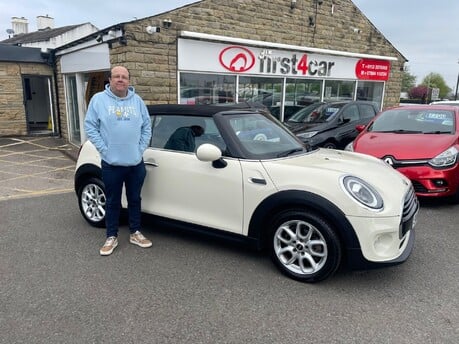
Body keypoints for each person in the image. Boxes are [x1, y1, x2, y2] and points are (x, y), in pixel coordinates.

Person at [84, 65, 152, 256]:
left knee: (134, 199)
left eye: (124, 77)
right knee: (113, 201)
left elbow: (147, 127)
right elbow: (90, 127)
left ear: (129, 81)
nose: (120, 79)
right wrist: (105, 150)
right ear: (110, 80)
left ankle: (135, 232)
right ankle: (111, 236)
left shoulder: (137, 101)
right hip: (111, 164)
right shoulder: (98, 100)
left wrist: (139, 150)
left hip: (135, 163)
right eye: (117, 76)